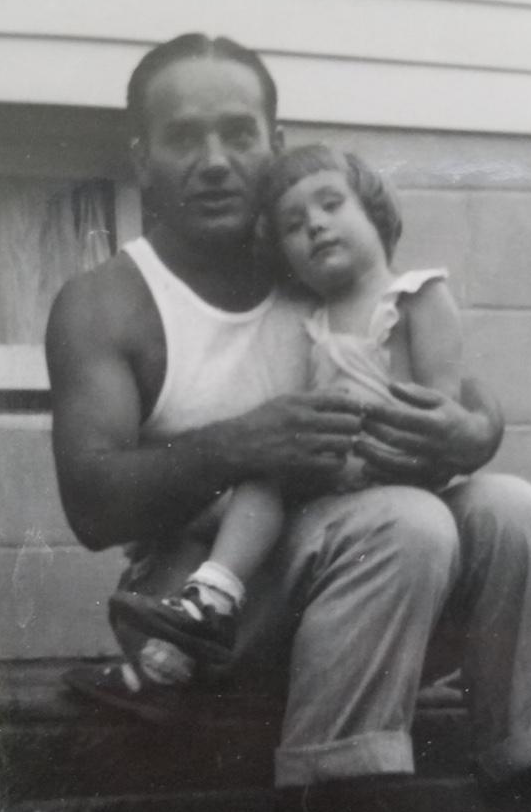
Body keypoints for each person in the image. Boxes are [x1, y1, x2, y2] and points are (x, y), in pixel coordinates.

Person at [47, 32, 531, 812]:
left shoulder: (320, 266)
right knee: (402, 523)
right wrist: (246, 443)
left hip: (373, 585)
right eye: (183, 137)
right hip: (203, 605)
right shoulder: (110, 301)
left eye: (240, 132)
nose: (213, 161)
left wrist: (473, 434)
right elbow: (89, 504)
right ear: (140, 159)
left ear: (275, 138)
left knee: (515, 509)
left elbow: (463, 395)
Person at [108, 142, 466, 682]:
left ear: (374, 210)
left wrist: (394, 453)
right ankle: (201, 612)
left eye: (330, 204)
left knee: (264, 480)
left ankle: (194, 617)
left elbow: (446, 418)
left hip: (394, 476)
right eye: (295, 225)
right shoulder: (311, 321)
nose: (316, 226)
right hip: (330, 484)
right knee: (258, 477)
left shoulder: (418, 297)